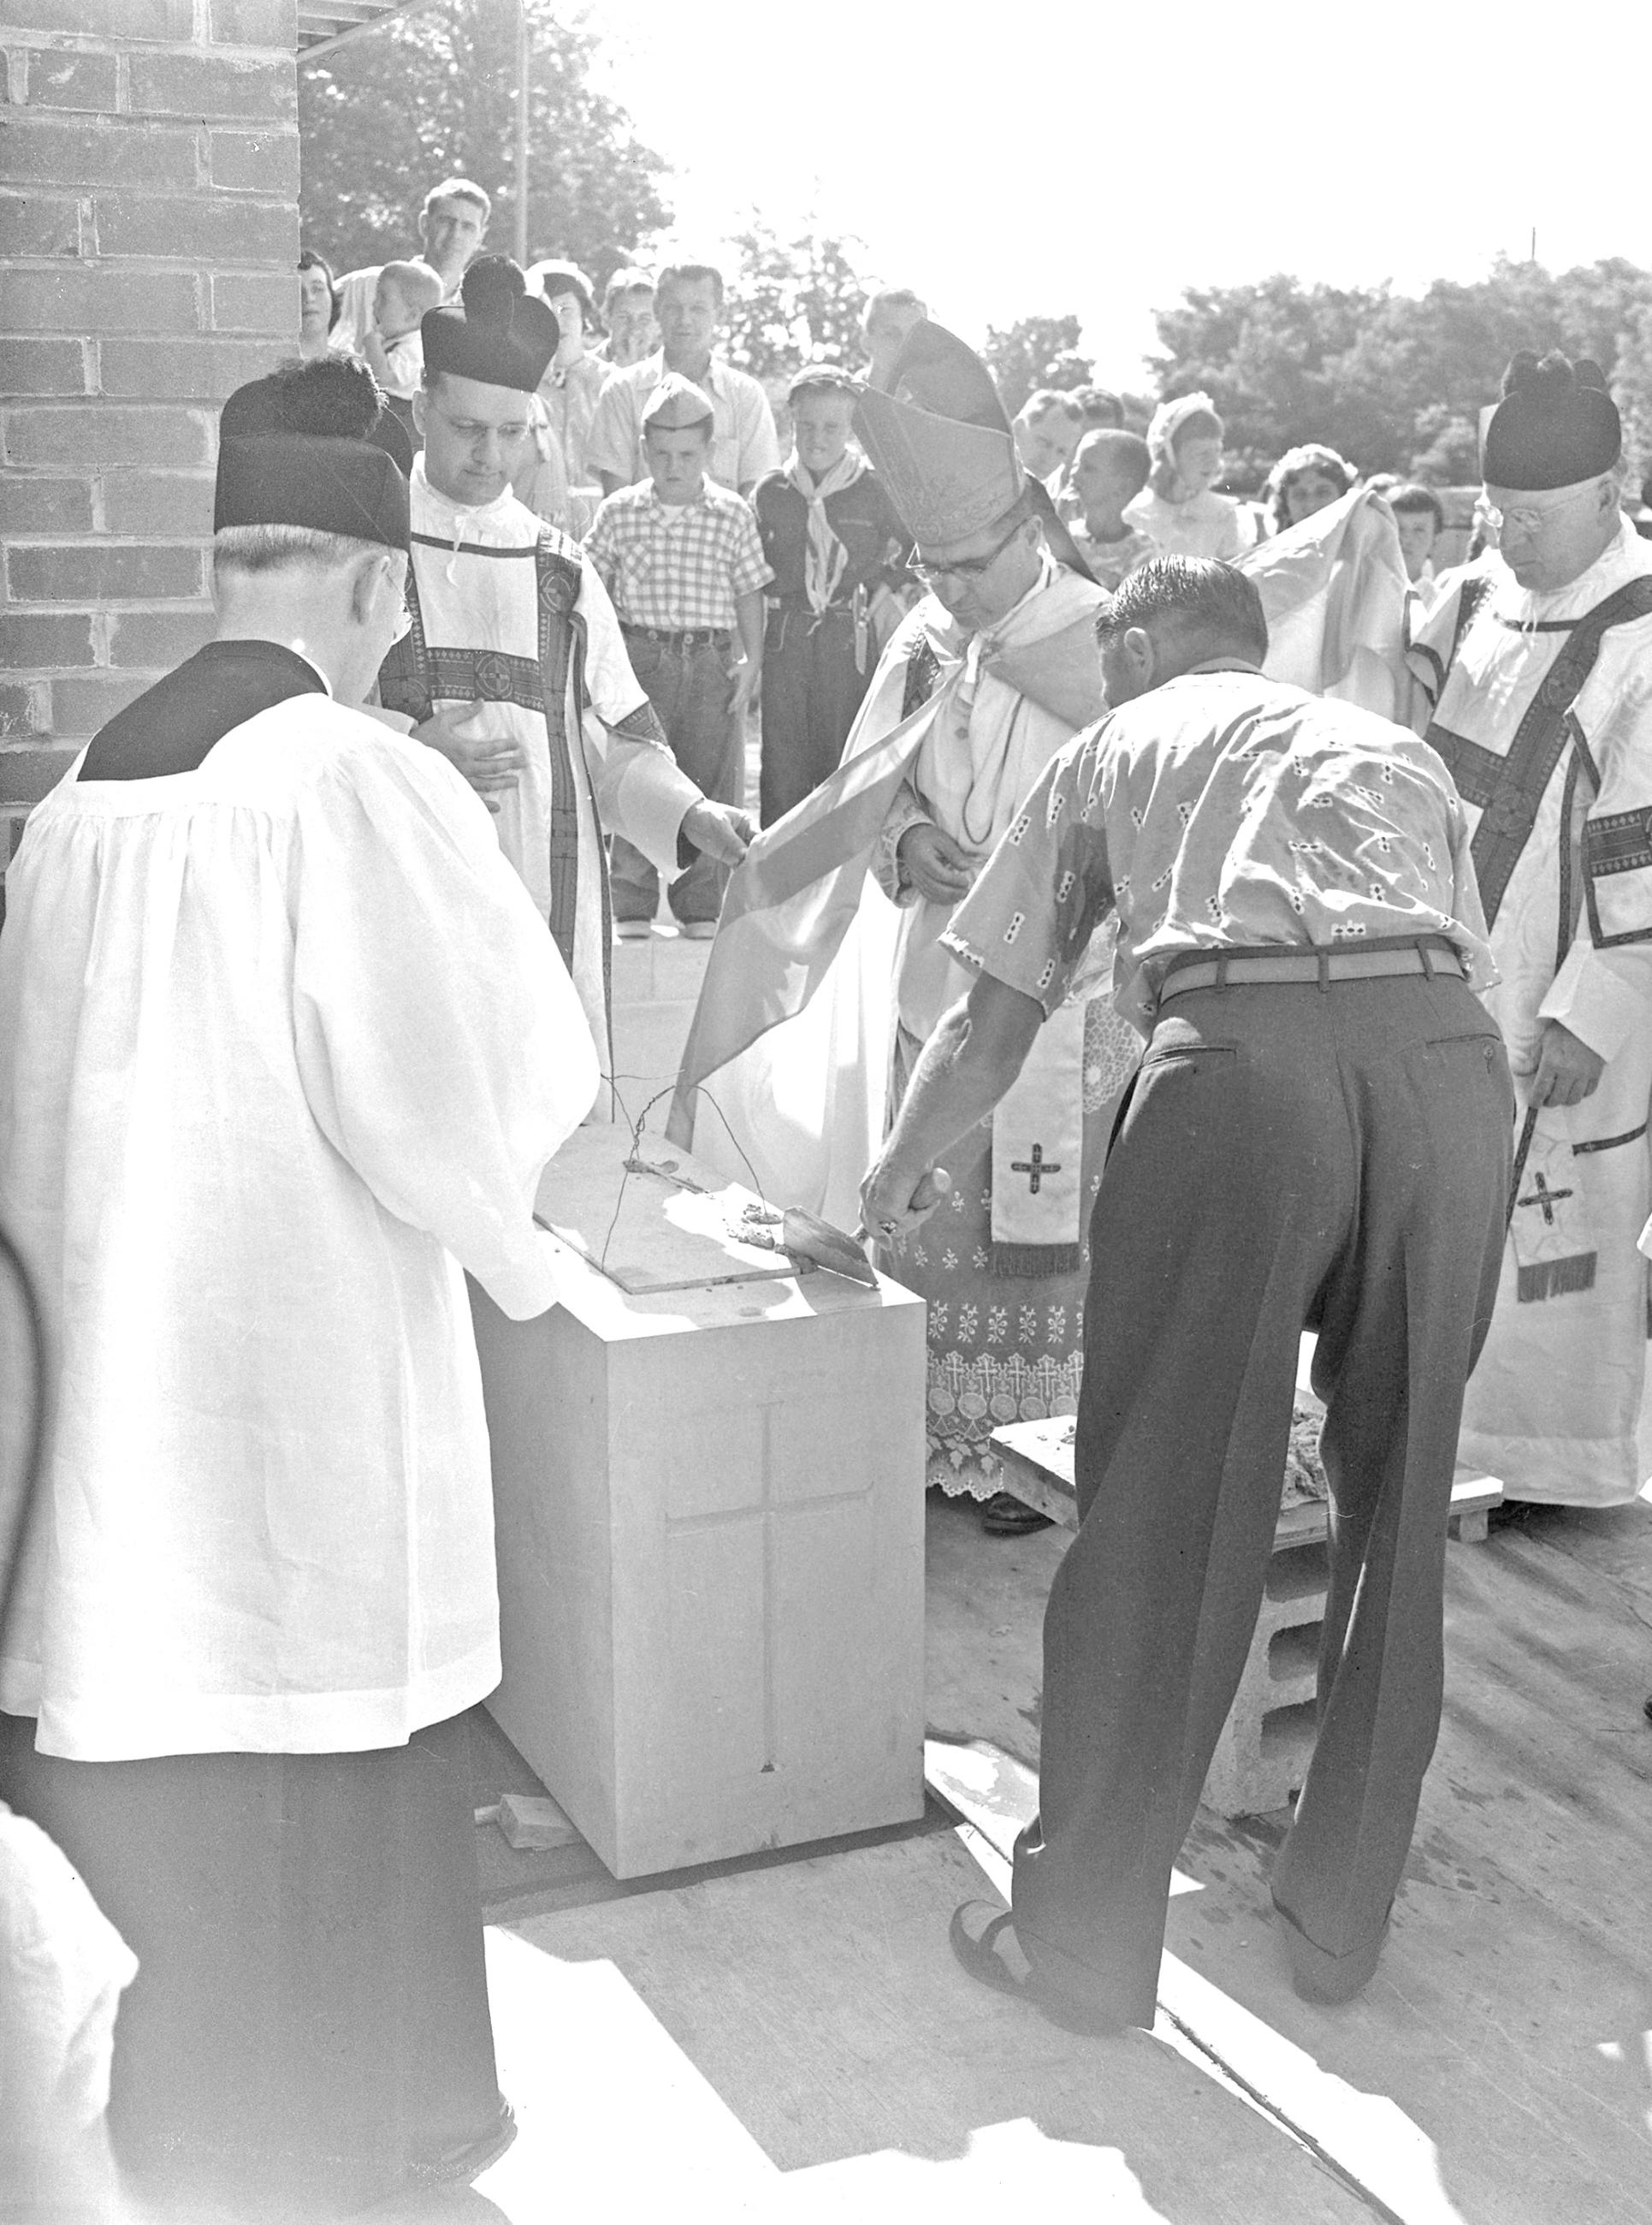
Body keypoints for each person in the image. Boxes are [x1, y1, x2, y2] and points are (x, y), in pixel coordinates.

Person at [0, 353, 601, 2211]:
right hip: (298, 1380)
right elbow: (472, 1087)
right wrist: (522, 1247)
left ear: (223, 567)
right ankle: (343, 2141)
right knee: (317, 1681)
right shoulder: (350, 774)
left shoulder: (87, 783)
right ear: (377, 580)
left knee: (150, 1677)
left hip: (105, 1387)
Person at [862, 555, 1510, 2029]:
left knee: (1163, 1504)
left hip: (1240, 1079)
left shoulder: (1113, 746)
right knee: (1398, 1504)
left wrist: (893, 1175)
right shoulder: (1387, 747)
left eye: (1105, 650)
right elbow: (1450, 959)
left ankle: (1083, 1945)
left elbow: (989, 1020)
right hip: (1448, 1079)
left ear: (1139, 639)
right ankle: (1338, 1923)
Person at [671, 323, 1140, 1528]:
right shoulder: (926, 636)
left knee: (1039, 1224)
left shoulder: (1108, 643)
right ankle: (935, 1431)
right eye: (929, 569)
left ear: (1027, 530)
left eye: (969, 568)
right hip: (935, 965)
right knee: (929, 1203)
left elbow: (1145, 815)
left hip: (1063, 984)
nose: (948, 593)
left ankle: (1033, 1449)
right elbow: (867, 786)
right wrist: (903, 844)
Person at [377, 258, 751, 1063]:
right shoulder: (369, 549)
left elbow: (615, 745)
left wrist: (690, 815)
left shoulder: (559, 567)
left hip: (545, 898)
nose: (489, 456)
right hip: (403, 887)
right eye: (467, 429)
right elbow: (309, 719)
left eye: (511, 433)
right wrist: (402, 748)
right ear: (420, 410)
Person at [1410, 350, 1652, 1509]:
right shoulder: (1479, 602)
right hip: (1454, 974)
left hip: (1568, 994)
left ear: (1609, 492)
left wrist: (1589, 1010)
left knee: (1555, 1221)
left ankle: (1556, 1467)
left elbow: (1642, 847)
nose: (1509, 539)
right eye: (1495, 514)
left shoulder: (1643, 630)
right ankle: (1451, 1450)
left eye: (1534, 518)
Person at [584, 375, 773, 936]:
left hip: (712, 658)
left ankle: (700, 905)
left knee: (708, 776)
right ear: (643, 450)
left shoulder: (732, 513)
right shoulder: (621, 512)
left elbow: (749, 593)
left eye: (687, 455)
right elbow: (591, 586)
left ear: (710, 452)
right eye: (661, 454)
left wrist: (751, 665)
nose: (673, 466)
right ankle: (633, 900)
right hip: (641, 658)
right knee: (642, 768)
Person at [750, 364, 912, 824]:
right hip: (787, 636)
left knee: (840, 755)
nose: (817, 438)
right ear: (791, 422)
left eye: (832, 427)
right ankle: (777, 882)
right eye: (806, 426)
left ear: (851, 429)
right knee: (782, 763)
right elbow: (750, 566)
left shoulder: (872, 489)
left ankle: (835, 882)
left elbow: (916, 543)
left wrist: (886, 582)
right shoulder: (772, 492)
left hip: (847, 638)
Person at [585, 261, 780, 497]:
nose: (684, 320)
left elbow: (755, 497)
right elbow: (616, 501)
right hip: (641, 533)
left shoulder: (746, 396)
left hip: (725, 532)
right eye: (673, 308)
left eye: (698, 309)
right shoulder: (622, 391)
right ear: (657, 310)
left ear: (720, 313)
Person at [333, 174, 491, 351]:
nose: (456, 235)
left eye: (468, 227)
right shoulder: (365, 286)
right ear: (424, 224)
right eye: (446, 222)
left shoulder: (481, 313)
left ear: (480, 237)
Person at [1126, 392, 1243, 560]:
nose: (1213, 461)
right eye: (1201, 453)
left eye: (1217, 450)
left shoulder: (1222, 514)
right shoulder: (1138, 514)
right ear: (1169, 457)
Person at [1067, 427, 1156, 590]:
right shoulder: (1064, 533)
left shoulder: (1139, 549)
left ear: (1121, 488)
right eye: (1075, 465)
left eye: (1088, 469)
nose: (1074, 474)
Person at [359, 258, 443, 401]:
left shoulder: (415, 348)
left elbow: (384, 377)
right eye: (376, 296)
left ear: (412, 315)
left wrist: (372, 345)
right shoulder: (394, 341)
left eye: (383, 298)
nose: (374, 303)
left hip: (398, 413)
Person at [1265, 442, 1359, 534]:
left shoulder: (1367, 547)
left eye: (1323, 493)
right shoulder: (1272, 549)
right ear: (1286, 507)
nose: (1312, 505)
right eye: (1300, 495)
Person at [1012, 388, 1085, 489]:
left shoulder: (1045, 502)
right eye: (1044, 443)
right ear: (1018, 429)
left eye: (1061, 452)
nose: (1049, 459)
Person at [862, 286, 928, 385]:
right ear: (866, 341)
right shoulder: (838, 395)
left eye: (914, 337)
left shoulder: (935, 399)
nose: (904, 345)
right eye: (892, 334)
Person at [594, 266, 658, 368]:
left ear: (657, 325)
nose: (634, 329)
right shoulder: (581, 370)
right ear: (607, 319)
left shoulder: (668, 376)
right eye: (624, 317)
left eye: (644, 319)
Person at [1387, 481, 1445, 588]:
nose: (1405, 538)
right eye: (1398, 528)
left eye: (1419, 530)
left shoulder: (1439, 603)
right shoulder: (1357, 592)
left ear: (1435, 540)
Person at [297, 246, 340, 359]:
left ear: (332, 298)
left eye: (317, 288)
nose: (309, 298)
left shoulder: (354, 369)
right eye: (297, 291)